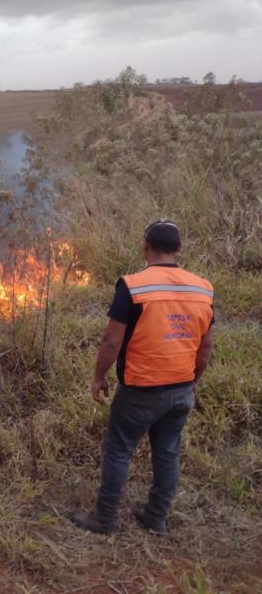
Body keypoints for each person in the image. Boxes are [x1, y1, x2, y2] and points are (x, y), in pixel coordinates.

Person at [72, 219, 215, 535]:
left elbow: (112, 340)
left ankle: (104, 518)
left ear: (144, 246)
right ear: (179, 248)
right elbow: (205, 346)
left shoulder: (133, 285)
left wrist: (99, 376)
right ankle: (156, 517)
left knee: (119, 449)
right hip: (181, 388)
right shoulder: (202, 288)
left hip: (141, 389)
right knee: (167, 451)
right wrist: (193, 380)